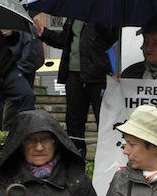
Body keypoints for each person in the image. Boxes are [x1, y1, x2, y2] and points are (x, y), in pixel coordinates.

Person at [35, 16, 118, 157]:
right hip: (73, 75)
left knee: (104, 120)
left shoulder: (104, 14)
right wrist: (44, 33)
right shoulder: (74, 17)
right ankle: (76, 158)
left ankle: (107, 159)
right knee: (73, 122)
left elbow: (113, 37)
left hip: (98, 76)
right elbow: (64, 40)